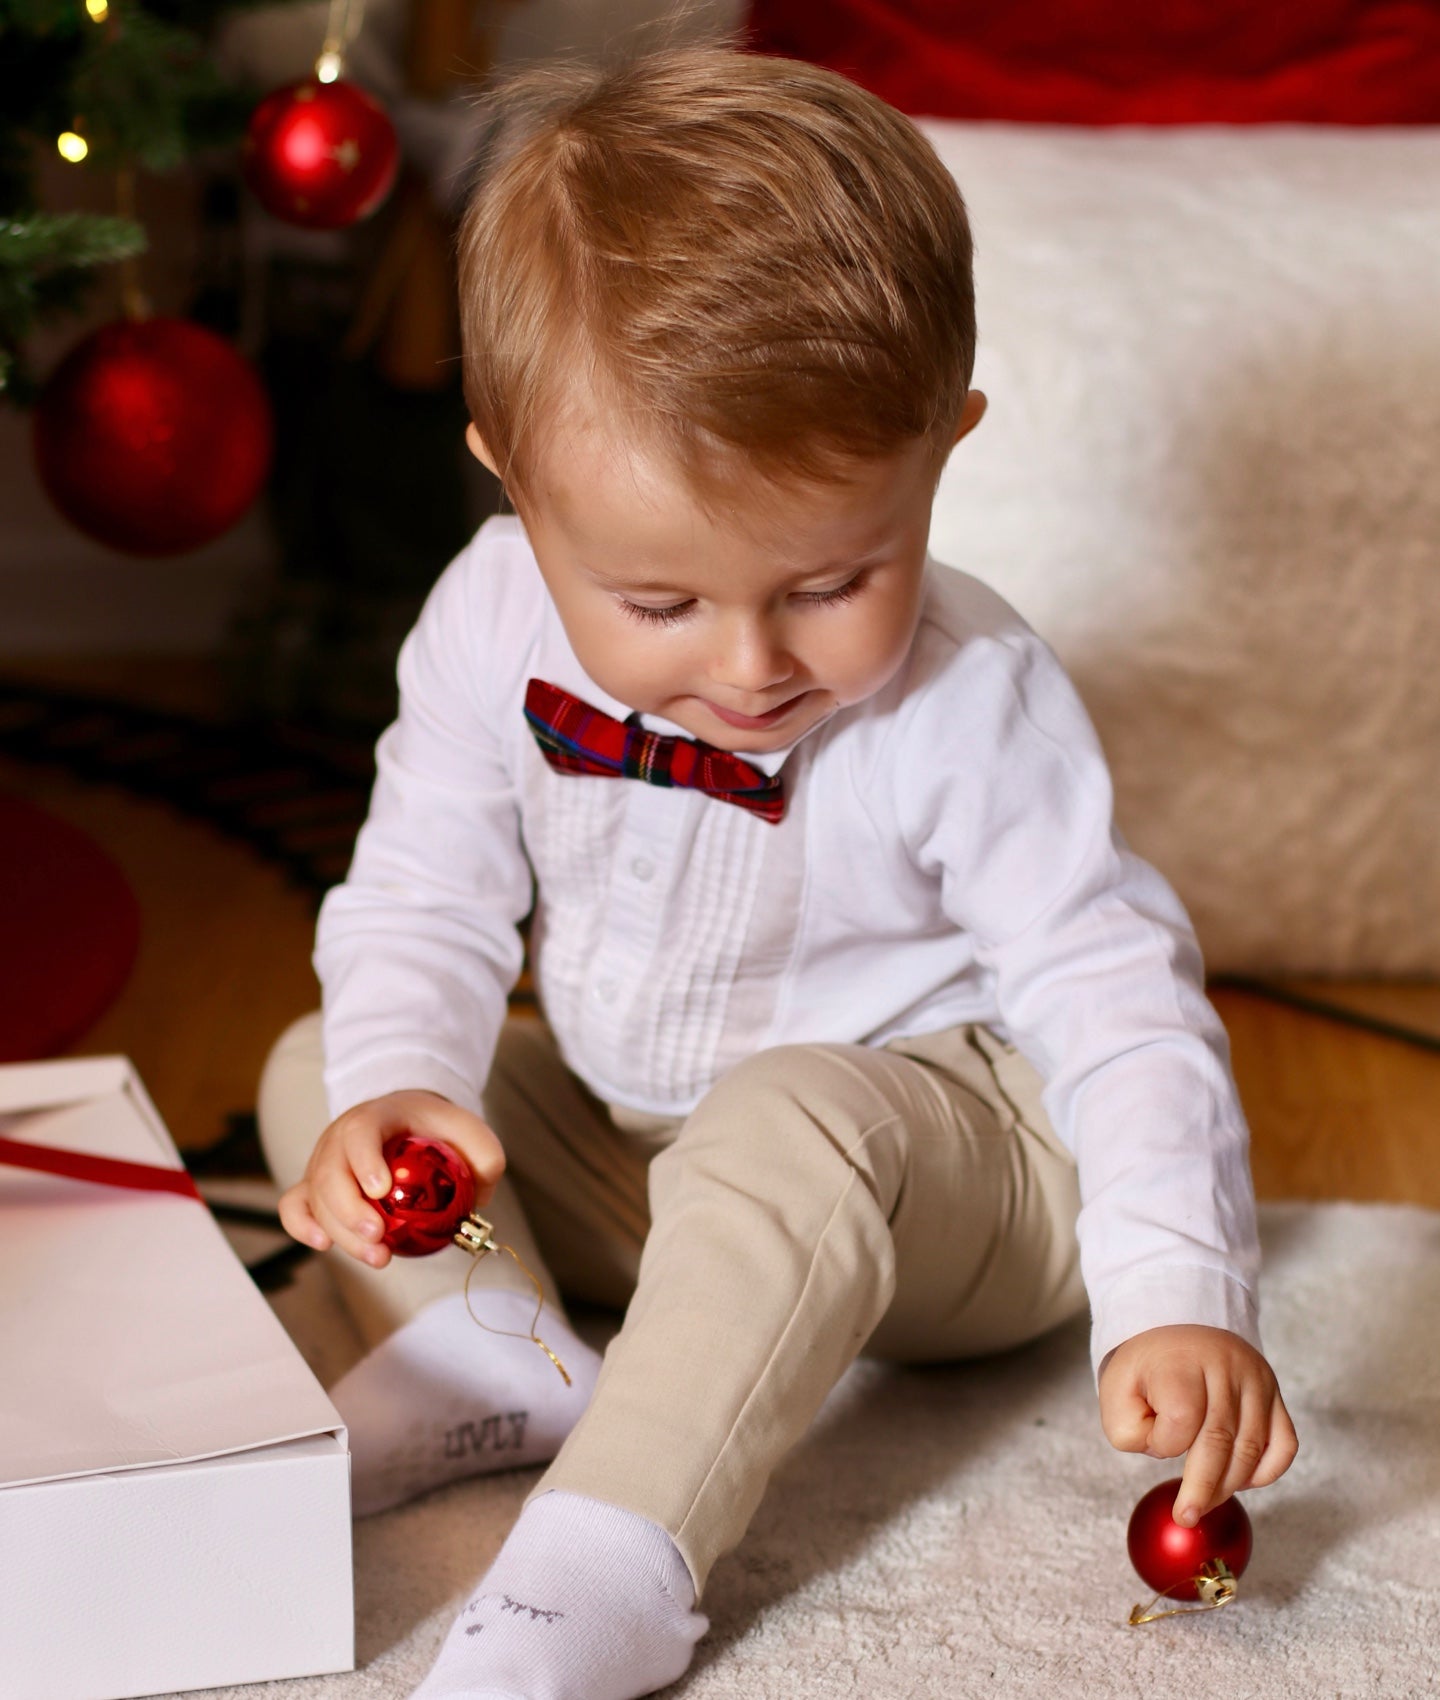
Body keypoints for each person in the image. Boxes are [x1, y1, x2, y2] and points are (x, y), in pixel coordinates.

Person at [258, 41, 1298, 1700]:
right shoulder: (486, 614)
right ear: (513, 484)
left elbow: (1115, 997)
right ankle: (492, 1354)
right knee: (333, 1061)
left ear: (942, 448)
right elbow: (423, 896)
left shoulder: (975, 696)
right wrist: (398, 1088)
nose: (748, 670)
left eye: (832, 579)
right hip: (646, 1150)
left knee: (787, 1116)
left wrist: (1176, 1286)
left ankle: (607, 1559)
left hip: (957, 1169)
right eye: (659, 605)